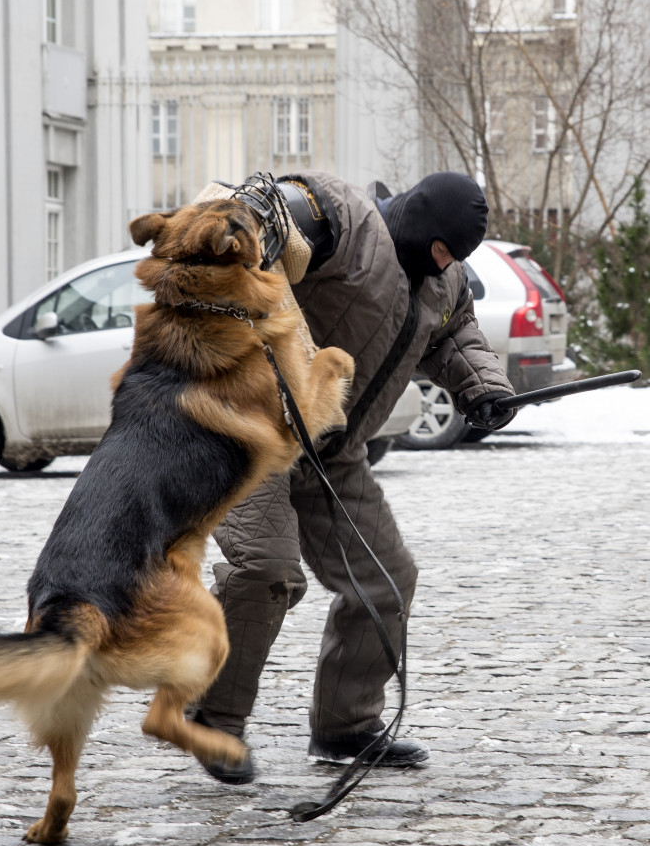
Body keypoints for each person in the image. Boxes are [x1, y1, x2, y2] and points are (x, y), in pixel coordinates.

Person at [191, 169, 516, 783]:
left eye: (455, 257)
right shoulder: (344, 217)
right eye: (441, 247)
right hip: (253, 424)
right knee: (266, 570)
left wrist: (485, 389)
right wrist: (262, 212)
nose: (444, 262)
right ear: (420, 221)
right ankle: (213, 714)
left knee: (388, 579)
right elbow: (266, 219)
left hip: (333, 448)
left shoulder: (443, 282)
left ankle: (345, 726)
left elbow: (454, 336)